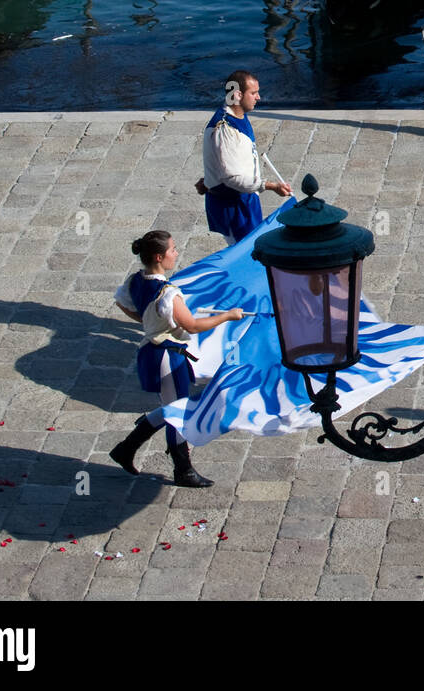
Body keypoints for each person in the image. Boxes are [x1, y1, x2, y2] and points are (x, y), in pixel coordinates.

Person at [108, 231, 245, 487]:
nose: (176, 253)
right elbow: (192, 326)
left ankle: (127, 448)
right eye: (172, 249)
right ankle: (183, 469)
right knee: (178, 411)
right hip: (166, 357)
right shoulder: (168, 293)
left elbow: (122, 303)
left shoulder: (136, 280)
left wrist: (150, 324)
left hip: (157, 351)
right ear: (159, 257)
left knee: (177, 406)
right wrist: (227, 316)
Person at [197, 70, 291, 244]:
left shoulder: (238, 117)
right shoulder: (225, 129)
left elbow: (225, 162)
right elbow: (231, 176)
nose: (259, 97)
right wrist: (269, 186)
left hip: (245, 198)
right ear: (238, 94)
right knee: (246, 254)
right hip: (234, 207)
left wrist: (209, 178)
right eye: (253, 93)